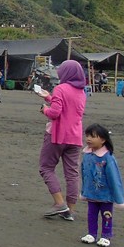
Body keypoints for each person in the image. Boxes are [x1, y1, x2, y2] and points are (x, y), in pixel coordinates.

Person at [36, 59, 87, 220]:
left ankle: (59, 203)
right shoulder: (82, 92)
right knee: (72, 174)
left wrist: (44, 109)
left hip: (57, 135)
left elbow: (55, 113)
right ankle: (70, 211)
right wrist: (49, 97)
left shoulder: (61, 88)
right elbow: (68, 108)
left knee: (46, 167)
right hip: (75, 136)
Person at [79, 123, 124, 247]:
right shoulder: (87, 155)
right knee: (91, 214)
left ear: (103, 139)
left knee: (106, 214)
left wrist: (118, 198)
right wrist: (84, 191)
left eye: (93, 136)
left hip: (105, 194)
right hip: (91, 193)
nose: (88, 139)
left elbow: (114, 178)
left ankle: (106, 235)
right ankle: (92, 233)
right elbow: (84, 174)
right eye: (87, 136)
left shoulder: (107, 158)